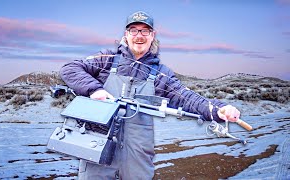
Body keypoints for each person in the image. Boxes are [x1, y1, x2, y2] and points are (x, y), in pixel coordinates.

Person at [60, 11, 241, 180]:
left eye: (145, 31)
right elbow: (70, 69)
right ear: (126, 34)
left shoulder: (161, 74)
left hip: (137, 161)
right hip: (96, 154)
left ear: (152, 36)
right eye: (134, 30)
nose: (139, 35)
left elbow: (187, 98)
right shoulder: (106, 59)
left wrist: (218, 110)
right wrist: (95, 90)